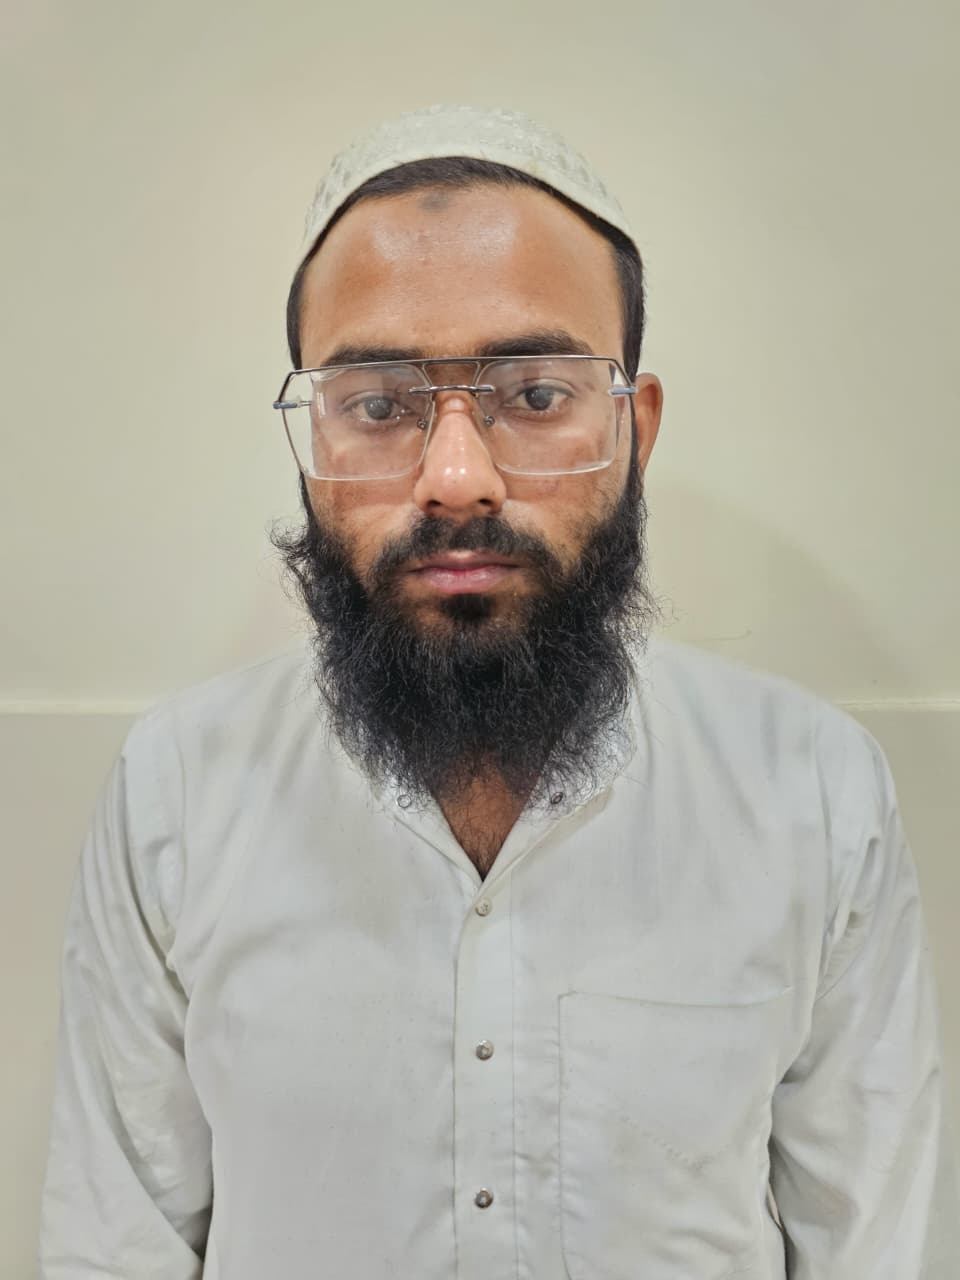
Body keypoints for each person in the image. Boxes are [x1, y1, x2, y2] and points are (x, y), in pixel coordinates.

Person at [39, 104, 957, 1278]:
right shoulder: (177, 791)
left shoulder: (813, 791)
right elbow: (113, 1244)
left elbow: (869, 1244)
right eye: (379, 403)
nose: (457, 477)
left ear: (634, 426)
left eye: (533, 394)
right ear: (312, 434)